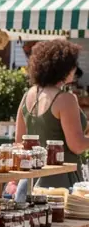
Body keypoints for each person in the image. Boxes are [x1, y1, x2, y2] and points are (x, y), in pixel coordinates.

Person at [15, 38, 89, 187]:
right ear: (63, 68)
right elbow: (77, 145)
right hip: (60, 179)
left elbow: (19, 143)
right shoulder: (65, 99)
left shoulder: (28, 95)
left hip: (31, 178)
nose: (75, 69)